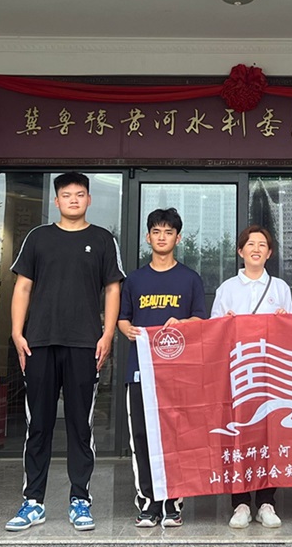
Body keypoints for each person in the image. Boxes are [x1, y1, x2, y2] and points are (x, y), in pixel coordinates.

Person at [5, 172, 125, 533]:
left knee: (79, 425)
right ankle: (33, 502)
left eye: (80, 194)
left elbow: (113, 289)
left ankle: (80, 499)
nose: (74, 199)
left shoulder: (102, 239)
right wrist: (16, 332)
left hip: (84, 344)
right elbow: (23, 287)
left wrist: (107, 334)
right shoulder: (38, 238)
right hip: (39, 342)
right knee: (38, 424)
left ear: (89, 199)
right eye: (67, 195)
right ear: (56, 201)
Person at [118, 208, 206, 529]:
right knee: (141, 437)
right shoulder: (134, 279)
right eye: (156, 231)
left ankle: (172, 502)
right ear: (148, 237)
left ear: (178, 238)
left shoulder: (190, 278)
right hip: (140, 371)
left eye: (168, 232)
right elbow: (123, 318)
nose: (162, 237)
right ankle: (148, 502)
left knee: (176, 437)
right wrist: (127, 330)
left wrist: (183, 324)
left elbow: (200, 320)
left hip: (177, 374)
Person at [210, 225, 292, 529]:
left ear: (269, 253)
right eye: (250, 244)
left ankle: (267, 502)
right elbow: (213, 331)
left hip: (271, 375)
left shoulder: (280, 288)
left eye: (262, 245)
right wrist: (224, 323)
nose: (256, 249)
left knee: (269, 434)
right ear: (240, 251)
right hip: (239, 375)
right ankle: (241, 503)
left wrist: (285, 322)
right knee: (240, 434)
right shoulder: (228, 288)